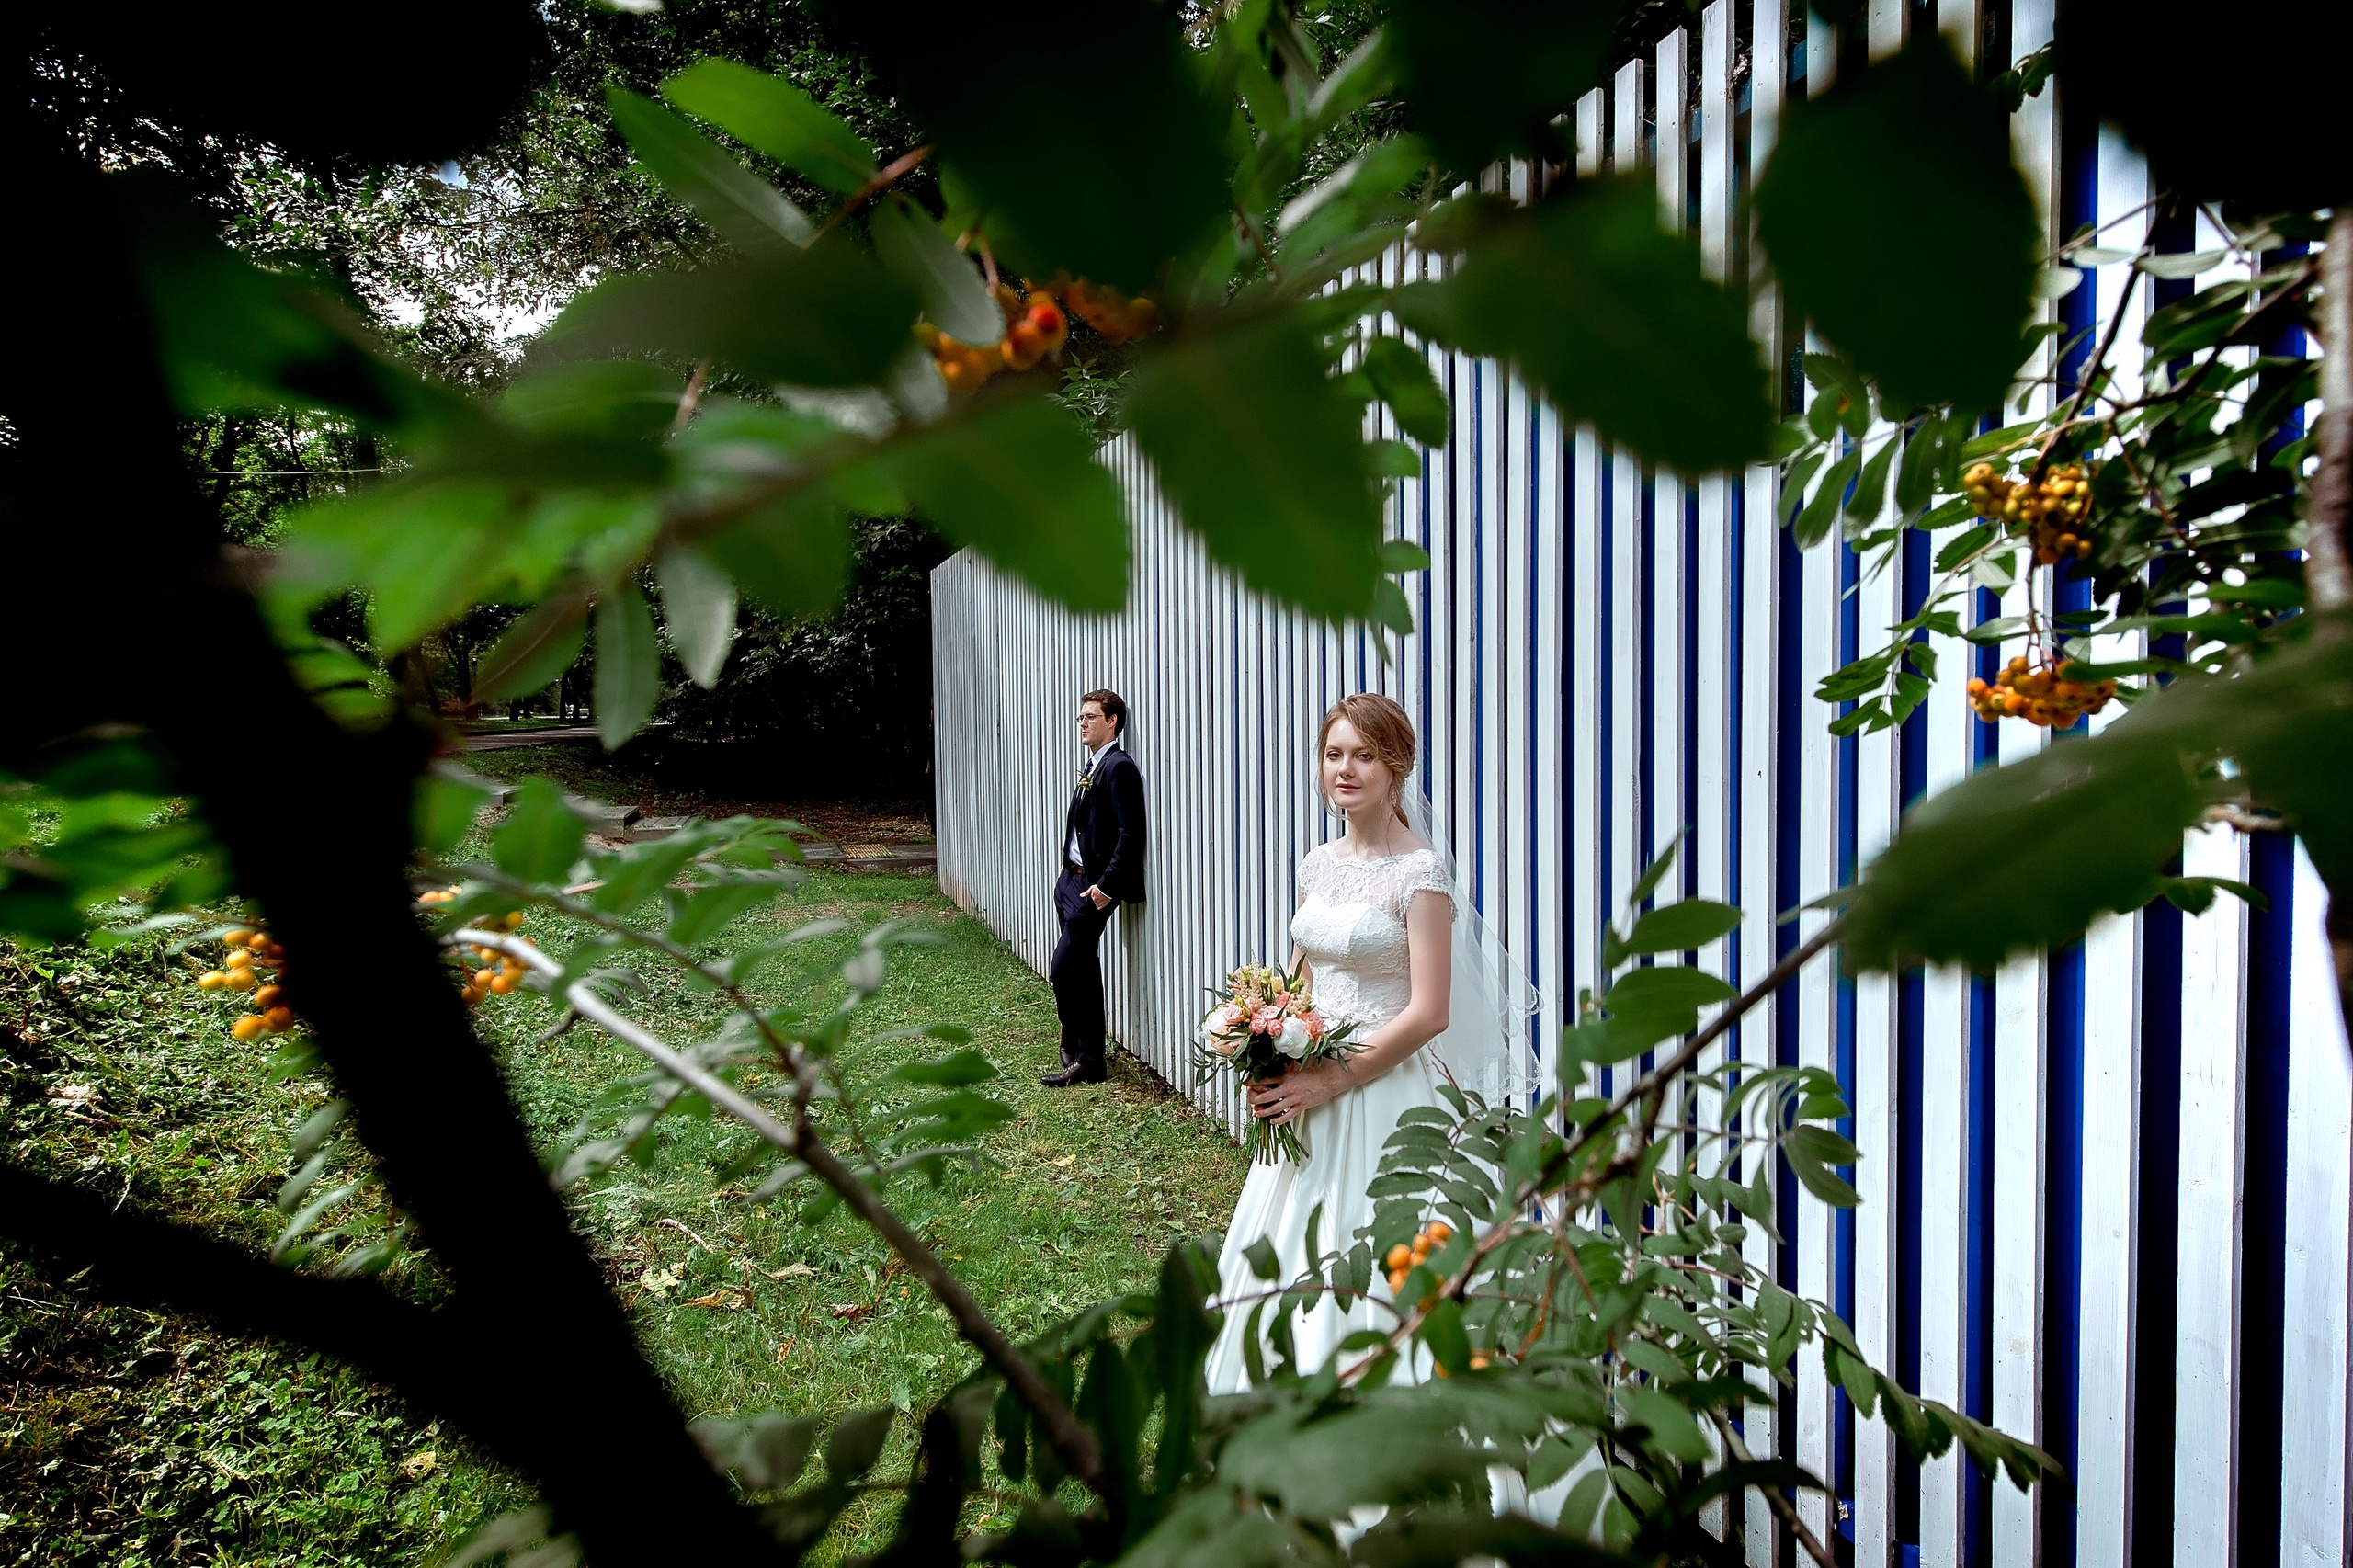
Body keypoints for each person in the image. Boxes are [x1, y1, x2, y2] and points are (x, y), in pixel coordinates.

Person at [1203, 691, 1535, 1392]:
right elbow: (1301, 973)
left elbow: (1431, 1012)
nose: (1344, 770)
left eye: (1363, 756)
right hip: (1309, 1086)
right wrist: (1261, 1030)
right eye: (1333, 755)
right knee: (1301, 1244)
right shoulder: (1318, 864)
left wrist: (1332, 1078)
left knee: (1395, 1258)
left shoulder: (1421, 875)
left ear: (1396, 767)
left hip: (1390, 1091)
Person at [1042, 689, 1146, 1087]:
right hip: (1072, 879)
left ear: (1112, 722)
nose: (1082, 723)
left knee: (1063, 968)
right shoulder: (1092, 765)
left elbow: (1130, 833)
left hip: (1094, 887)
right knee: (1082, 969)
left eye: (1090, 717)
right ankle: (1089, 1057)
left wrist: (1106, 886)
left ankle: (1081, 1046)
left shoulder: (1118, 767)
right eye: (1080, 717)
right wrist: (1066, 878)